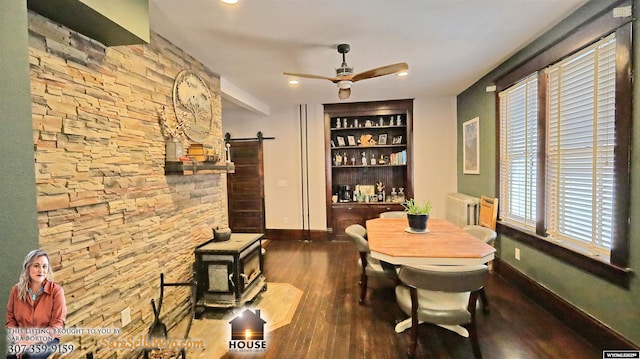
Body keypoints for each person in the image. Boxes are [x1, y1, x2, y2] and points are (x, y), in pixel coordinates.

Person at [6, 250, 67, 359]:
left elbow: (56, 325)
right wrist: (18, 339)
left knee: (29, 355)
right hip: (22, 336)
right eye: (36, 266)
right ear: (27, 267)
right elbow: (11, 319)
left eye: (44, 266)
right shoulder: (16, 290)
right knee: (12, 355)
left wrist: (29, 342)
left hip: (49, 338)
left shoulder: (56, 291)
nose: (41, 270)